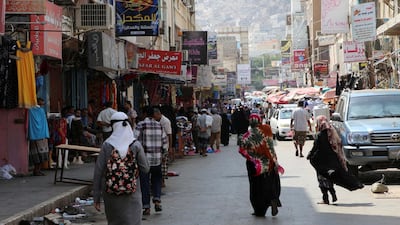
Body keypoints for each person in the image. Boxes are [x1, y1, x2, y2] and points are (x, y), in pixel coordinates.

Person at [93, 112, 149, 225]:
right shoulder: (135, 144)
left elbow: (98, 172)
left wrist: (96, 198)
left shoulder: (107, 145)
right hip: (132, 192)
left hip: (111, 194)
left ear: (113, 126)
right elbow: (145, 169)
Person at [307, 115, 363, 204]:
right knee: (330, 178)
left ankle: (325, 198)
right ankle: (333, 194)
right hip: (333, 160)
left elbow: (315, 147)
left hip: (321, 161)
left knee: (322, 179)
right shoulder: (333, 133)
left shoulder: (320, 135)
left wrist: (309, 155)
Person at [239, 113, 281, 217]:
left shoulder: (247, 136)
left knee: (256, 187)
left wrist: (252, 157)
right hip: (269, 163)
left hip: (254, 166)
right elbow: (271, 146)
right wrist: (275, 161)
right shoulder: (267, 129)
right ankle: (272, 199)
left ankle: (259, 210)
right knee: (269, 183)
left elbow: (242, 150)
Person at [135, 106, 168, 216]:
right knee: (157, 179)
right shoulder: (159, 125)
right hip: (157, 159)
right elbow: (165, 142)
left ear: (144, 113)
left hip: (144, 159)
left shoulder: (141, 125)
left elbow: (134, 141)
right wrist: (164, 154)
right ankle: (157, 200)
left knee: (144, 183)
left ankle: (146, 207)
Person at [28, 98, 50, 176]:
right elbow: (44, 123)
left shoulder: (30, 110)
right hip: (41, 135)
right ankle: (36, 170)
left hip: (35, 135)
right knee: (40, 154)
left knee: (37, 154)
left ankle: (37, 170)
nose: (42, 105)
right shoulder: (39, 111)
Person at [153, 107, 173, 187]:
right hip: (157, 145)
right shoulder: (156, 121)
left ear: (158, 114)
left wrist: (170, 147)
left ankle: (162, 180)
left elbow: (169, 134)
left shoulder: (166, 121)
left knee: (163, 163)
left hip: (164, 146)